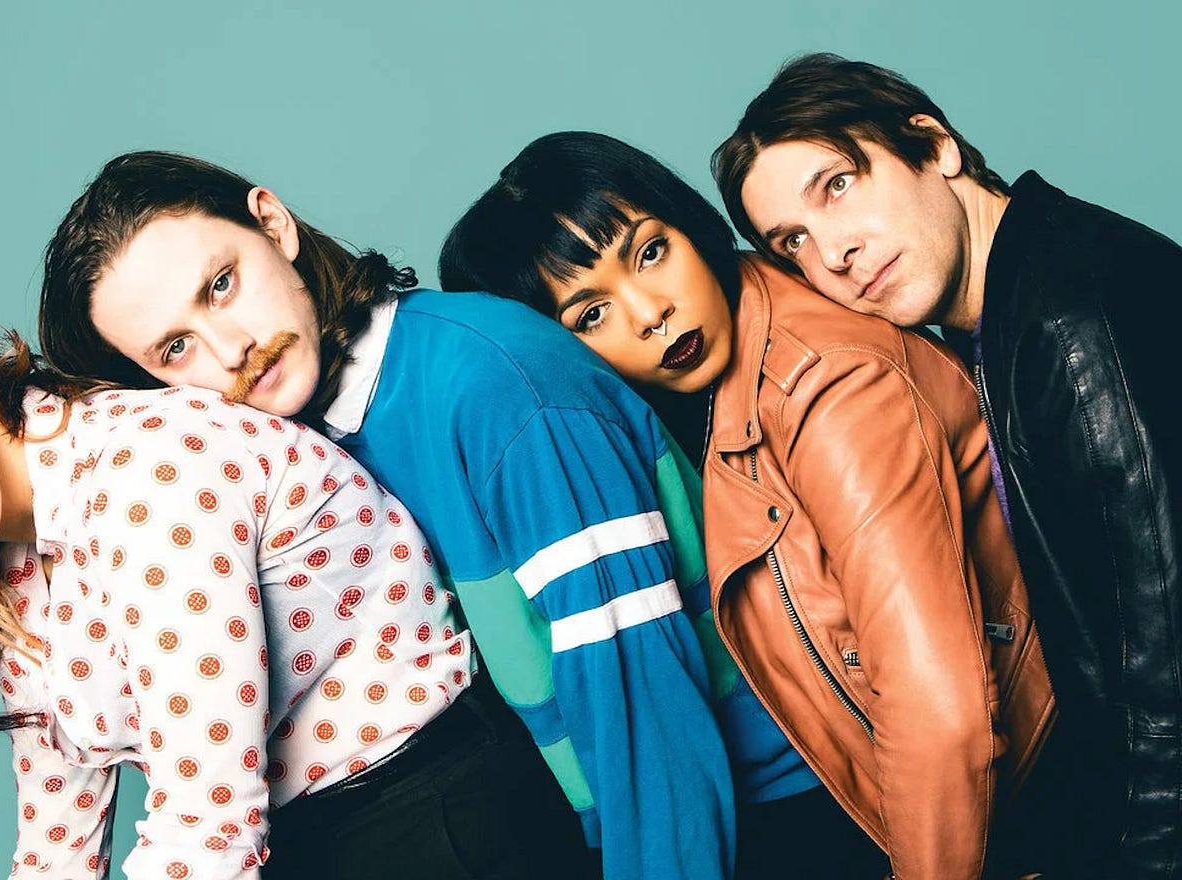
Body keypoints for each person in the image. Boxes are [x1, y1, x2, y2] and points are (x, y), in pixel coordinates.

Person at [38, 150, 827, 879]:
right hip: (619, 830)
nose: (229, 346)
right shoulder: (309, 446)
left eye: (221, 285)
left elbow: (645, 709)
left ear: (274, 226)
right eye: (175, 349)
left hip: (762, 821)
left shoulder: (491, 385)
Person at [0, 313, 599, 880]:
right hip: (303, 848)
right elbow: (57, 842)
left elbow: (207, 820)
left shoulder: (147, 470)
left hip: (441, 824)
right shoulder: (19, 571)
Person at [438, 130, 1056, 880]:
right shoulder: (655, 415)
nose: (650, 312)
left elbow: (940, 714)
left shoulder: (829, 386)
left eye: (650, 252)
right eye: (590, 315)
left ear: (688, 222)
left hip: (965, 818)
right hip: (837, 801)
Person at [713, 53, 1182, 878]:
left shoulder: (1073, 324)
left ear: (935, 146)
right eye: (794, 241)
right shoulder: (1002, 317)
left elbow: (1166, 663)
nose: (835, 252)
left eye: (838, 185)